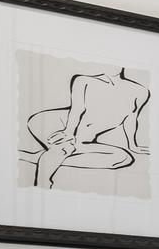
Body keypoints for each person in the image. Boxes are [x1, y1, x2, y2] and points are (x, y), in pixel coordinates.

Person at [21, 67, 151, 189]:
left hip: (84, 138)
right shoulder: (83, 81)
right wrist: (68, 132)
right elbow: (77, 109)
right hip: (57, 122)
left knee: (123, 158)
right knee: (65, 147)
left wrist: (132, 145)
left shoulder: (140, 92)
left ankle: (35, 158)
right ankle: (43, 183)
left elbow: (131, 119)